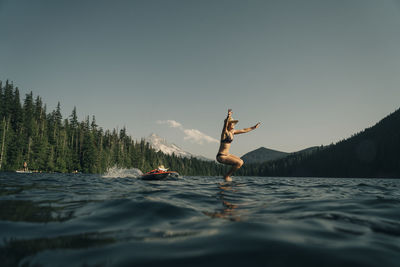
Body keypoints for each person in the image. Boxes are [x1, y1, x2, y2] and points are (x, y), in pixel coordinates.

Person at [216, 109, 260, 181]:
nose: (233, 124)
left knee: (241, 161)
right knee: (239, 163)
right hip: (221, 156)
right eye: (232, 123)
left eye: (233, 123)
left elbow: (244, 130)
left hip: (227, 155)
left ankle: (227, 175)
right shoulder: (225, 133)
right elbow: (224, 127)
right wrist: (228, 116)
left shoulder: (233, 132)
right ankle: (226, 176)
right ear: (228, 124)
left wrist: (253, 127)